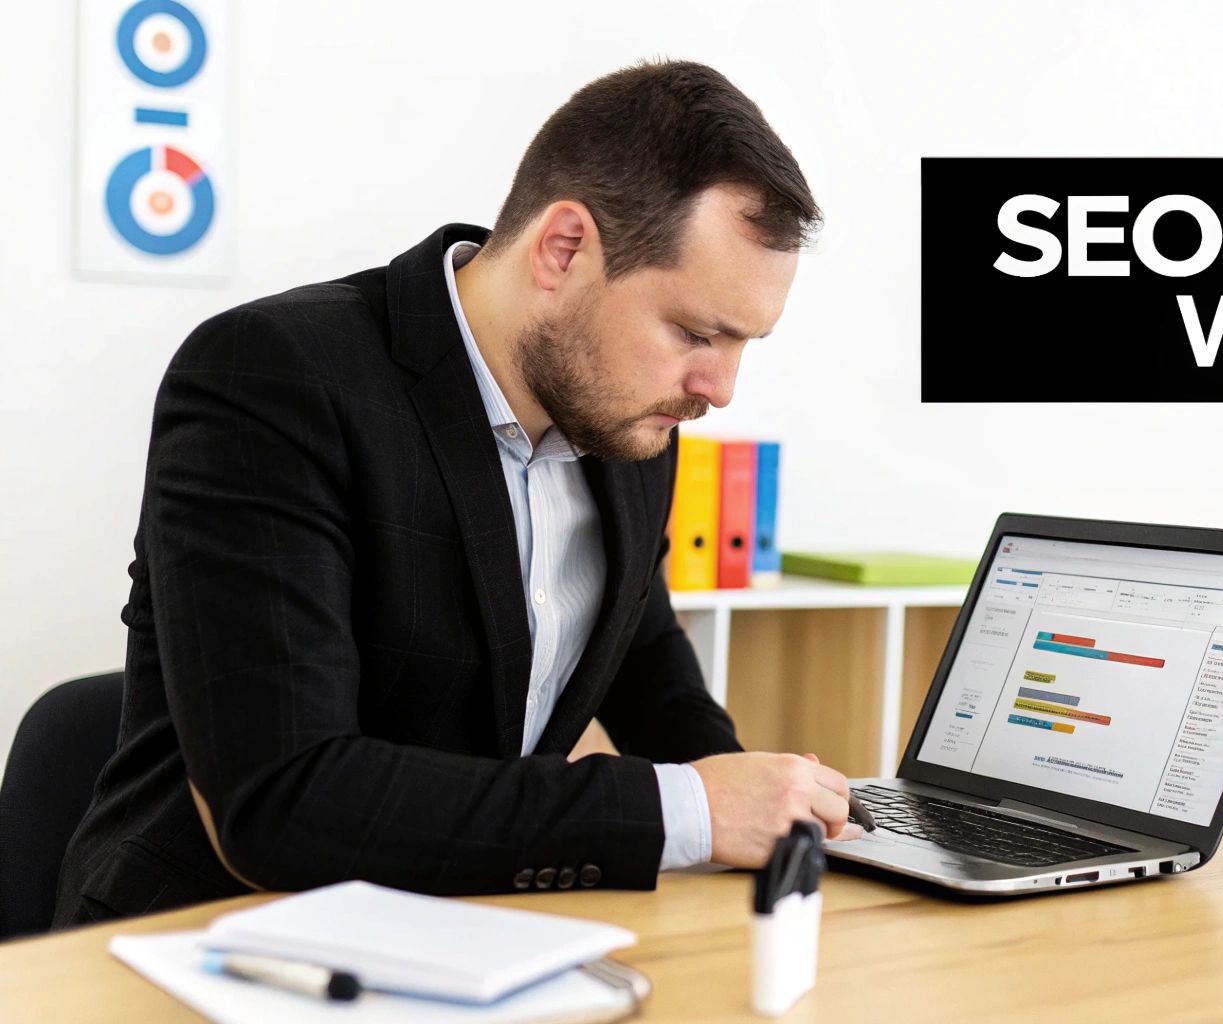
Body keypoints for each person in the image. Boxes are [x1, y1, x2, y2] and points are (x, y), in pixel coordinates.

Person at [54, 59, 861, 928]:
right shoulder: (271, 378)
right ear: (564, 248)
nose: (720, 386)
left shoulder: (628, 414)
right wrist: (690, 810)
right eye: (697, 332)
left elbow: (637, 650)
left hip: (471, 932)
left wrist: (769, 812)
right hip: (205, 945)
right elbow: (280, 802)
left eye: (745, 344)